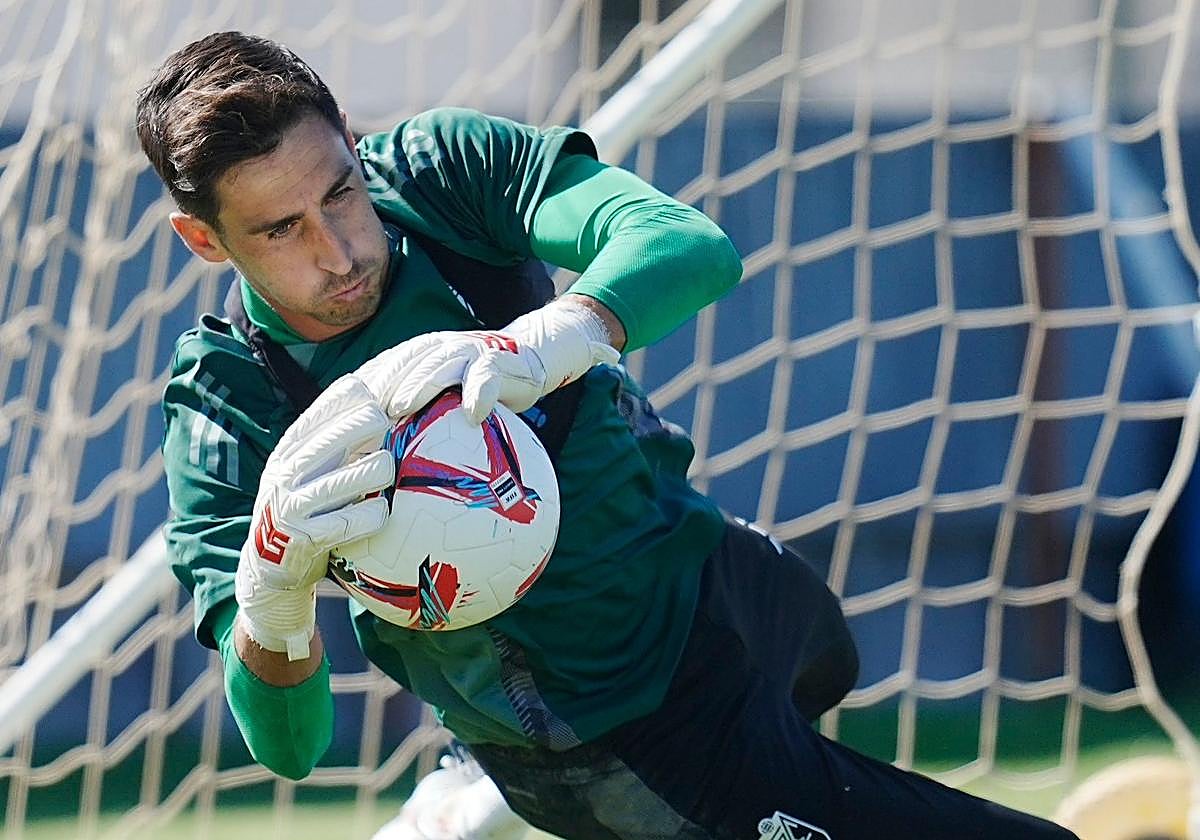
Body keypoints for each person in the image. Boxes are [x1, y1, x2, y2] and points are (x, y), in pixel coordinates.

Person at [139, 30, 1078, 840]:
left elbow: (687, 243)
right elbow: (290, 747)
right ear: (205, 239)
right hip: (617, 735)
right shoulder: (227, 406)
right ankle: (493, 773)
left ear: (353, 140)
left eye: (339, 194)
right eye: (280, 230)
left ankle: (472, 780)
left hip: (706, 564)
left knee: (825, 649)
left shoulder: (437, 175)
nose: (337, 251)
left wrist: (549, 339)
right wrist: (271, 592)